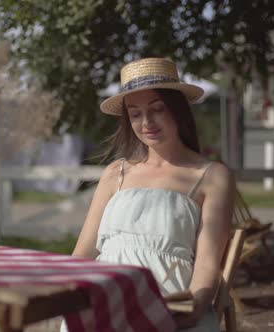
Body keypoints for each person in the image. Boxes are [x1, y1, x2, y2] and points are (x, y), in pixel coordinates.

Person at [64, 58, 235, 332]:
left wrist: (195, 308)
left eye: (158, 109)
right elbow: (84, 252)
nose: (147, 123)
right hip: (105, 296)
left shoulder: (212, 176)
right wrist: (59, 294)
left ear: (177, 110)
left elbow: (207, 263)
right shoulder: (115, 173)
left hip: (167, 299)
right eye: (135, 114)